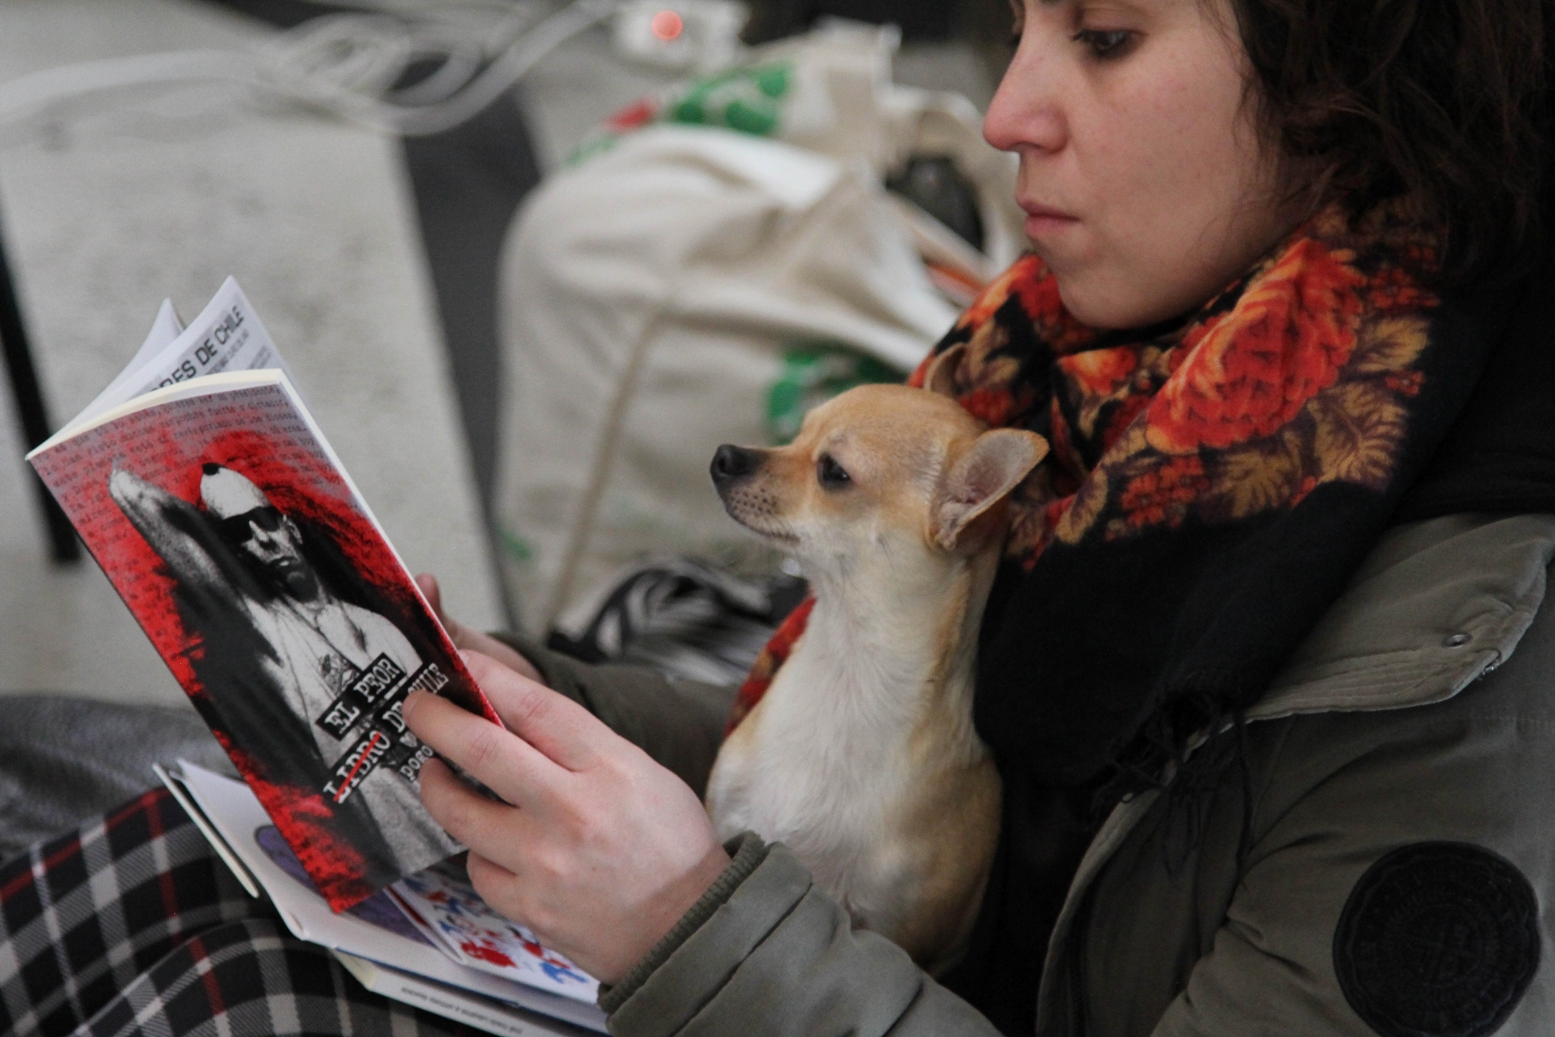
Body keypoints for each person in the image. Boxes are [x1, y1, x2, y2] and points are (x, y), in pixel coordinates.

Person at [3, 1, 1552, 1034]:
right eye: (1016, 26)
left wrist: (689, 926)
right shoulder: (1113, 375)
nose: (1007, 108)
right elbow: (870, 763)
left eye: (1101, 36)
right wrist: (555, 709)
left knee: (236, 981)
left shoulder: (1450, 710)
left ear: (1349, 72)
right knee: (190, 833)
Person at [108, 462, 459, 877]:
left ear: (289, 528)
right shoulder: (270, 629)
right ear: (234, 555)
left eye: (263, 523)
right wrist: (206, 517)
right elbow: (131, 493)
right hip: (408, 871)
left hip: (469, 826)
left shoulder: (379, 627)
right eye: (241, 534)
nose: (262, 540)